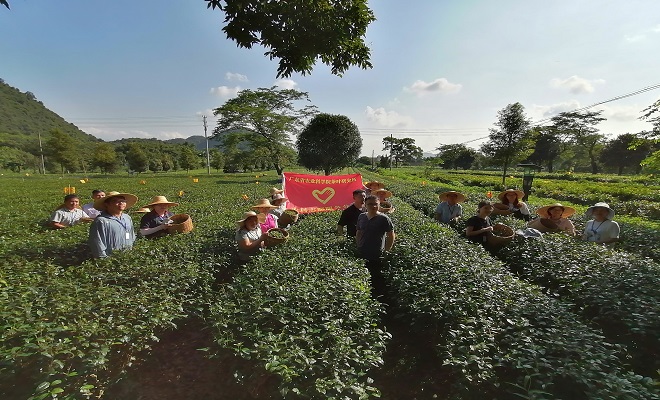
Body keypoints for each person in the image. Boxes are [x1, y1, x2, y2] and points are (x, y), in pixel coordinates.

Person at [356, 195, 395, 297]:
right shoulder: (362, 217)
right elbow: (359, 232)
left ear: (379, 205)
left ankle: (376, 297)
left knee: (375, 278)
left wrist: (387, 250)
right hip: (362, 252)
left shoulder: (384, 218)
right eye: (370, 204)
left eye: (375, 204)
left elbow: (391, 235)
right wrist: (358, 245)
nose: (373, 206)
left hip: (377, 254)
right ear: (365, 205)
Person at [88, 191, 138, 258]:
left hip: (128, 256)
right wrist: (103, 260)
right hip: (111, 258)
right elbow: (97, 243)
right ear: (107, 204)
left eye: (123, 201)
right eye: (116, 201)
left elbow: (131, 235)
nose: (121, 203)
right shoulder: (101, 221)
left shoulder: (127, 218)